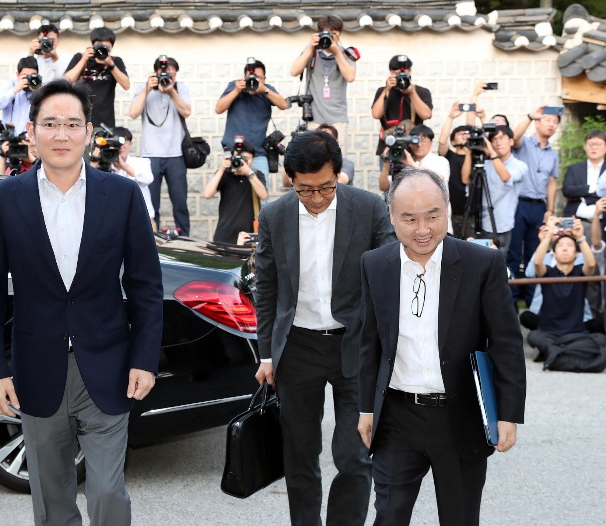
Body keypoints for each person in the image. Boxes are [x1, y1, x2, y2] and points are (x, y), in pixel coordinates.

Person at [0, 79, 163, 526]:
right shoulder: (3, 199)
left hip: (109, 365)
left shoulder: (123, 195)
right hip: (37, 368)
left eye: (72, 124)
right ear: (32, 131)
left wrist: (145, 359)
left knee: (108, 494)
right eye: (50, 124)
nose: (61, 134)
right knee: (52, 498)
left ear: (89, 131)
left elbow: (146, 285)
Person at [357, 167, 526, 526]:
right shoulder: (375, 264)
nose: (423, 229)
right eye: (410, 218)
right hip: (398, 416)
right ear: (392, 216)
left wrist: (508, 412)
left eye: (433, 215)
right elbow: (369, 342)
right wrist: (366, 408)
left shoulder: (482, 263)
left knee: (460, 517)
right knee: (388, 515)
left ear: (447, 209)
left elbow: (506, 342)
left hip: (459, 415)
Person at [255, 130, 396, 525]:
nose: (317, 198)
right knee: (299, 455)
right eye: (306, 190)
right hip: (297, 348)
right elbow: (265, 286)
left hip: (355, 344)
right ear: (290, 180)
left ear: (339, 174)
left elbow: (390, 273)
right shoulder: (275, 214)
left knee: (355, 456)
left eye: (326, 188)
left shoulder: (368, 208)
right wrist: (266, 353)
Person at [129, 56, 191, 235]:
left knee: (180, 203)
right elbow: (133, 113)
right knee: (151, 203)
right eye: (163, 73)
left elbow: (187, 112)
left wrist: (171, 91)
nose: (167, 78)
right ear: (155, 73)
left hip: (176, 154)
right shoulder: (145, 88)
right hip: (151, 154)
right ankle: (153, 240)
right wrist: (147, 89)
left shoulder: (180, 89)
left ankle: (185, 239)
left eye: (171, 74)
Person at [507, 105, 561, 305]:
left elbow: (552, 182)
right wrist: (530, 116)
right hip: (518, 204)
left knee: (535, 253)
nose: (551, 125)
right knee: (513, 253)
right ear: (538, 122)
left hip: (539, 207)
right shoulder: (524, 144)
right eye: (547, 120)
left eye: (555, 122)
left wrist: (550, 209)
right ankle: (511, 300)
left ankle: (531, 300)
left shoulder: (553, 154)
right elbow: (513, 136)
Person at [527, 216, 597, 361]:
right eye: (560, 245)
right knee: (533, 337)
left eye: (569, 245)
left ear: (576, 254)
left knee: (599, 340)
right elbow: (537, 263)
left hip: (575, 332)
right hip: (548, 332)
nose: (565, 248)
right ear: (553, 253)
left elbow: (591, 265)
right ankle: (564, 351)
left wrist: (580, 237)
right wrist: (549, 235)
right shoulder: (548, 272)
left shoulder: (580, 272)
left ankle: (553, 352)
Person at [290, 15, 357, 149]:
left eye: (334, 34)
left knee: (337, 160)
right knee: (314, 160)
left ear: (339, 34)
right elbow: (294, 71)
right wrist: (310, 47)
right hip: (314, 117)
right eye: (326, 33)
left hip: (338, 118)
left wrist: (337, 53)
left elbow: (350, 77)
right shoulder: (311, 51)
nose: (330, 37)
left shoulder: (346, 53)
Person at [215, 58, 288, 178]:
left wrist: (264, 89)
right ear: (244, 77)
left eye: (258, 77)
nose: (254, 80)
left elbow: (283, 105)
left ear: (264, 79)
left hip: (258, 153)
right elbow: (218, 109)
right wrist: (237, 90)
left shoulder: (267, 90)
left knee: (262, 192)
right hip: (234, 150)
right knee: (234, 192)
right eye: (251, 76)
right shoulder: (235, 86)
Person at [460, 126, 528, 254]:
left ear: (511, 141)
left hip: (500, 224)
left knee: (496, 265)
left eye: (502, 138)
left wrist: (492, 154)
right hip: (479, 222)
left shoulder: (520, 166)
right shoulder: (485, 164)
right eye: (494, 139)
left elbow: (506, 177)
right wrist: (469, 153)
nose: (498, 142)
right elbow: (465, 179)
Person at [203, 138, 267, 244]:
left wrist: (249, 173)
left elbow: (263, 195)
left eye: (246, 159)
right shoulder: (226, 175)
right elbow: (207, 194)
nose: (242, 162)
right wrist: (221, 169)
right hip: (224, 235)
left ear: (253, 159)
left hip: (248, 236)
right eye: (238, 158)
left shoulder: (256, 175)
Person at [90, 126, 156, 229]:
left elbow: (148, 179)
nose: (121, 146)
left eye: (125, 142)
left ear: (131, 144)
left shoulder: (141, 162)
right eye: (117, 143)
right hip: (115, 223)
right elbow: (88, 185)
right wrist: (94, 161)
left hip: (142, 219)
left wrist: (123, 165)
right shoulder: (105, 167)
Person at [64, 27, 130, 128]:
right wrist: (84, 59)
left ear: (111, 48)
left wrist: (110, 64)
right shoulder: (80, 57)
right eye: (100, 46)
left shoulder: (115, 61)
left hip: (106, 121)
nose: (102, 50)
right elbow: (66, 81)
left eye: (106, 47)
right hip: (81, 120)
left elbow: (126, 85)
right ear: (92, 45)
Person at [372, 55, 432, 161]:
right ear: (391, 73)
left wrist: (412, 93)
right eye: (396, 73)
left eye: (403, 73)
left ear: (410, 71)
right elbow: (376, 114)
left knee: (414, 177)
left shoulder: (421, 92)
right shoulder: (383, 91)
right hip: (389, 146)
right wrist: (387, 90)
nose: (401, 77)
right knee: (388, 177)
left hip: (414, 148)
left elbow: (426, 115)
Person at [562, 130, 606, 240]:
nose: (594, 147)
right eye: (590, 144)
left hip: (602, 222)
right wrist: (593, 189)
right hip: (575, 221)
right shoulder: (574, 169)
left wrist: (582, 194)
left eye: (598, 144)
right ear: (584, 147)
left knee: (600, 254)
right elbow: (567, 191)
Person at [281, 123, 354, 187]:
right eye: (319, 139)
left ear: (336, 142)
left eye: (328, 138)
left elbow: (339, 181)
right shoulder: (307, 163)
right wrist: (291, 155)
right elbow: (286, 183)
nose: (323, 143)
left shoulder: (346, 163)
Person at [438, 107, 472, 237]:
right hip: (452, 211)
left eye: (467, 133)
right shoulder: (449, 156)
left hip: (472, 213)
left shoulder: (476, 157)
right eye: (460, 133)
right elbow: (442, 141)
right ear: (453, 141)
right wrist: (450, 117)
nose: (465, 135)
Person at [0, 56, 42, 135]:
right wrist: (15, 90)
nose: (28, 79)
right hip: (10, 140)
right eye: (25, 76)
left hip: (31, 141)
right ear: (17, 75)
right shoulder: (10, 85)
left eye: (32, 76)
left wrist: (37, 92)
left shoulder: (41, 89)